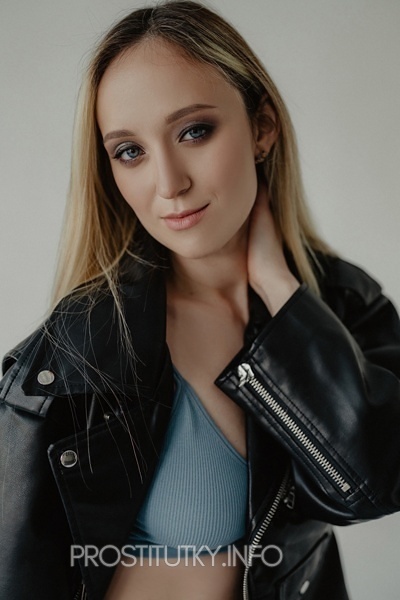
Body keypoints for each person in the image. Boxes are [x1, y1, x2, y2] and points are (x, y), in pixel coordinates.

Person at [1, 1, 400, 599]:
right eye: (130, 151)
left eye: (194, 131)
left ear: (262, 127)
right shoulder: (73, 356)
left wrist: (278, 286)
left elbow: (372, 485)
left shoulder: (343, 304)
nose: (169, 183)